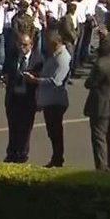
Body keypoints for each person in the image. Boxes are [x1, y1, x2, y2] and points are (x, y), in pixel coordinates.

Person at [82, 19, 110, 172]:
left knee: (99, 137)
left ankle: (101, 168)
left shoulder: (102, 64)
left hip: (101, 104)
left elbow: (90, 83)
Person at [30, 29, 71, 168]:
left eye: (48, 43)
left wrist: (36, 80)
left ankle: (58, 158)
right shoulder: (53, 55)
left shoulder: (63, 58)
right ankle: (56, 157)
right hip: (48, 99)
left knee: (55, 131)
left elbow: (56, 81)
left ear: (55, 43)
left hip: (56, 101)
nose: (46, 46)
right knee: (52, 131)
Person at [3, 33, 38, 164]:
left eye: (25, 45)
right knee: (13, 127)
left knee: (25, 129)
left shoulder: (38, 60)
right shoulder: (12, 57)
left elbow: (41, 79)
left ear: (31, 45)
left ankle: (22, 154)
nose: (22, 47)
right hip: (13, 98)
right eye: (20, 44)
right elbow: (6, 71)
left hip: (28, 99)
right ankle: (11, 153)